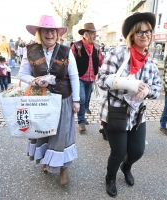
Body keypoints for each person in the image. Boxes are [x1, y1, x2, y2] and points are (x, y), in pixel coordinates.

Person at [97, 12, 161, 197]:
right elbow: (101, 80)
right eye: (139, 32)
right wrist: (128, 84)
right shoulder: (119, 53)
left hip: (137, 113)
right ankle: (110, 177)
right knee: (118, 151)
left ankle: (126, 167)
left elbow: (157, 89)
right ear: (132, 35)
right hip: (116, 111)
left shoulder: (150, 63)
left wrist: (148, 91)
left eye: (148, 31)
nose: (144, 35)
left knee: (137, 151)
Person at [19, 15, 80, 185]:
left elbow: (74, 77)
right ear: (39, 32)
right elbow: (22, 74)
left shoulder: (66, 51)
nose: (49, 33)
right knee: (43, 133)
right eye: (45, 30)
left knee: (63, 135)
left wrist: (77, 100)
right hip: (41, 99)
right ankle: (46, 160)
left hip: (63, 99)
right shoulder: (30, 51)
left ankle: (64, 168)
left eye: (52, 30)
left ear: (57, 33)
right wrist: (35, 80)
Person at [71, 22, 104, 133]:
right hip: (79, 78)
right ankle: (81, 122)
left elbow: (101, 62)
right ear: (85, 34)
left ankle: (83, 118)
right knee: (82, 99)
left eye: (95, 34)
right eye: (92, 33)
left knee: (86, 100)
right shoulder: (76, 46)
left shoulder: (97, 47)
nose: (94, 36)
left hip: (91, 79)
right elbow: (70, 62)